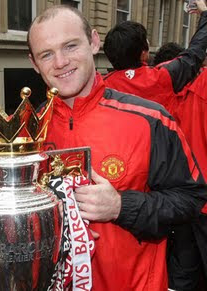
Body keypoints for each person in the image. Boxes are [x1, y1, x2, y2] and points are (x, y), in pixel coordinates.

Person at [27, 4, 207, 291]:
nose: (60, 62)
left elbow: (191, 199)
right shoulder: (25, 132)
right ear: (34, 64)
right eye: (46, 54)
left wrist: (122, 206)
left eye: (70, 46)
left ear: (94, 42)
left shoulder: (150, 119)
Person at [103, 2, 207, 290]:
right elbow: (195, 52)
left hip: (128, 197)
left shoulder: (102, 87)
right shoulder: (162, 78)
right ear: (144, 53)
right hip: (168, 194)